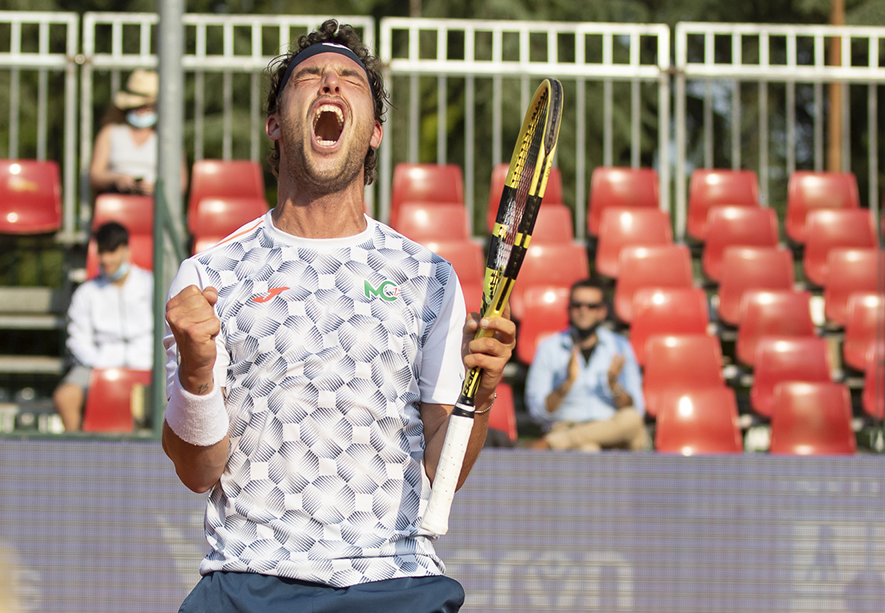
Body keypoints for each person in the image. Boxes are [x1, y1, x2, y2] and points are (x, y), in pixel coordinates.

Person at [161, 20, 515, 613]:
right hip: (249, 579)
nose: (330, 84)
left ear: (374, 132)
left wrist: (481, 394)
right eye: (309, 77)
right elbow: (198, 472)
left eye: (350, 79)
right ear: (275, 124)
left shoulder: (430, 279)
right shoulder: (209, 276)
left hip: (395, 579)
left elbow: (443, 471)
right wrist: (197, 374)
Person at [525, 278, 647, 452]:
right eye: (577, 305)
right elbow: (538, 412)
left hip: (611, 428)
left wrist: (614, 385)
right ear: (569, 309)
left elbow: (637, 410)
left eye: (591, 306)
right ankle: (565, 440)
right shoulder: (549, 348)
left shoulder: (619, 346)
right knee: (587, 449)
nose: (584, 311)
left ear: (602, 311)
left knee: (632, 419)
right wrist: (566, 384)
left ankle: (554, 442)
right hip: (567, 425)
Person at [53, 222, 154, 431]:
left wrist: (149, 360)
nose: (106, 259)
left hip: (149, 363)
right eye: (102, 252)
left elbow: (166, 332)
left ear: (126, 250)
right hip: (96, 364)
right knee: (65, 397)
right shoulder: (86, 293)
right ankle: (79, 453)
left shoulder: (151, 284)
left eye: (112, 251)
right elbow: (77, 339)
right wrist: (100, 364)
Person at [89, 69, 187, 196]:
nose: (141, 111)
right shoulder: (110, 132)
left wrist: (156, 188)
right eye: (138, 106)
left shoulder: (169, 138)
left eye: (147, 106)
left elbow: (181, 184)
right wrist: (116, 179)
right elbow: (95, 175)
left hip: (154, 202)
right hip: (117, 201)